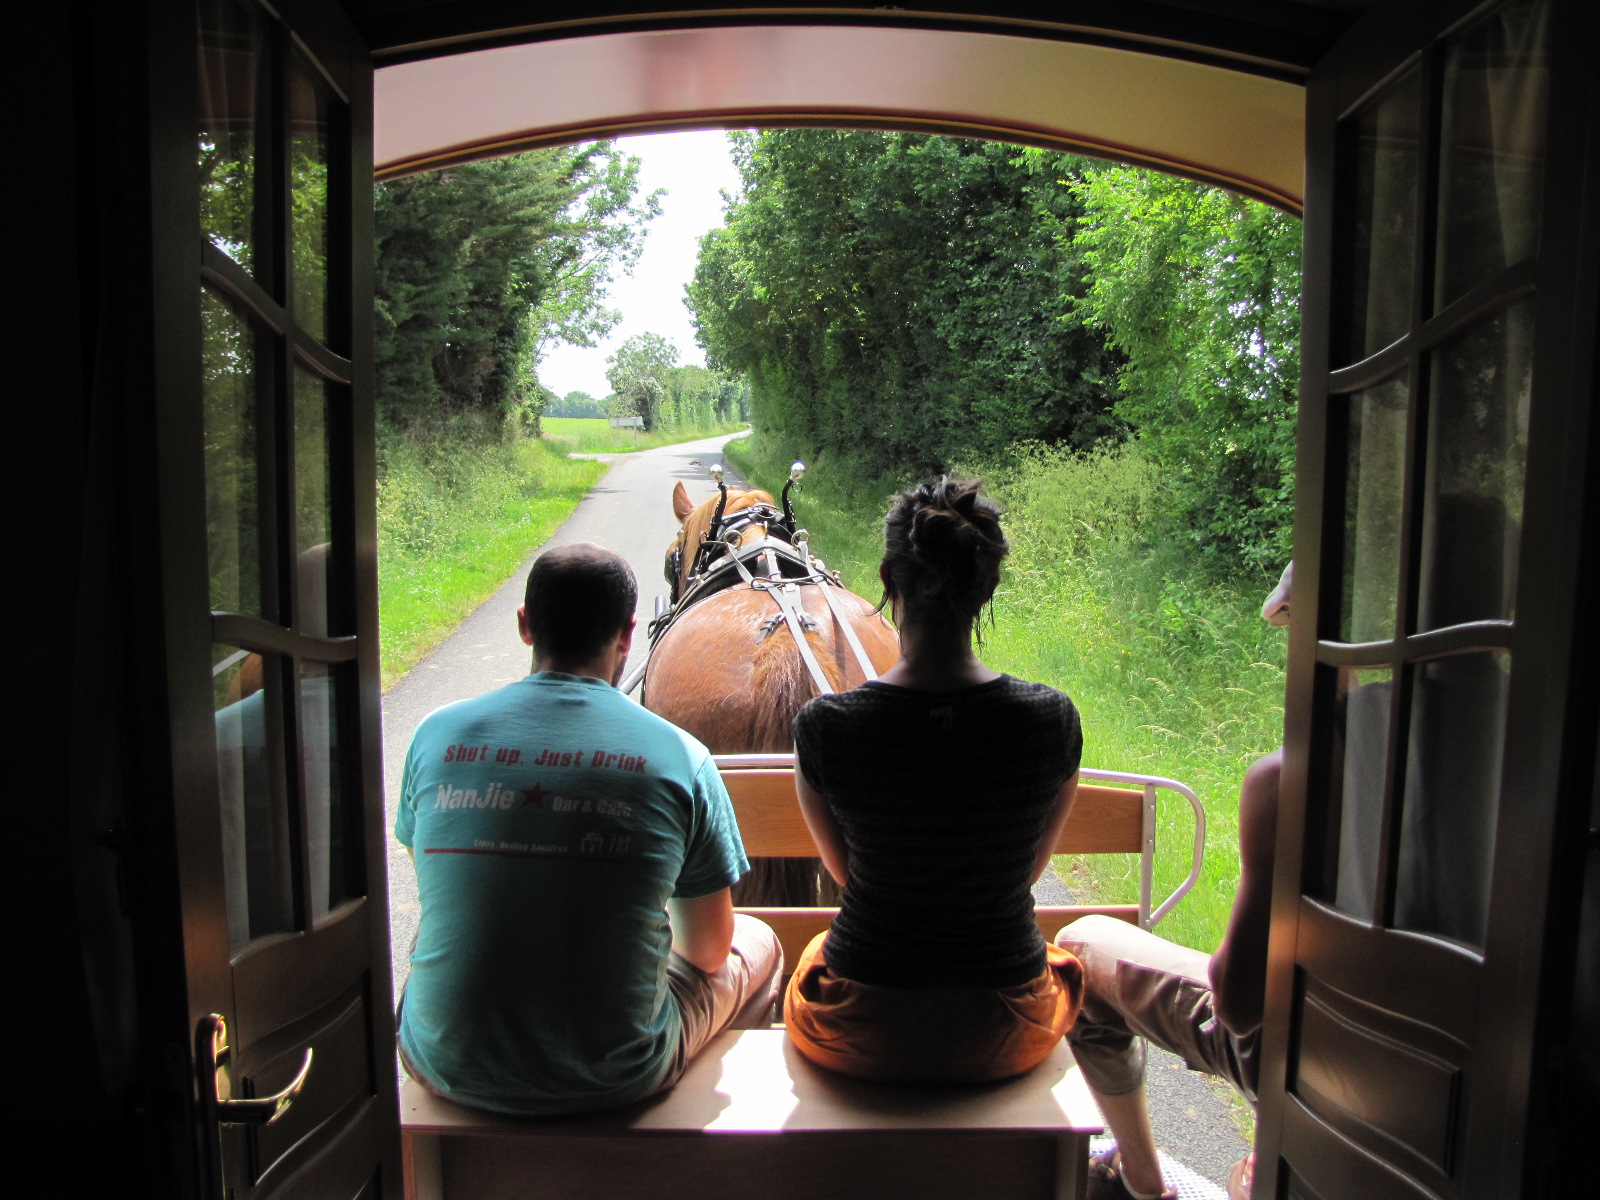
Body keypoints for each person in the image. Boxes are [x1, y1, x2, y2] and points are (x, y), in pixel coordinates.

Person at [395, 543, 782, 1115]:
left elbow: (435, 878)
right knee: (760, 943)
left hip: (439, 1061)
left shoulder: (433, 734)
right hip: (617, 1076)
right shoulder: (680, 755)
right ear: (627, 634)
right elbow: (706, 951)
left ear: (525, 625)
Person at [783, 477, 1086, 1082]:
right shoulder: (1051, 719)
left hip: (861, 1028)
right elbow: (1023, 874)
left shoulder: (826, 726)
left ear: (888, 580)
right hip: (1007, 1028)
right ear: (987, 587)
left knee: (811, 958)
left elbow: (850, 877)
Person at [1055, 561, 1293, 1200]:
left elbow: (1239, 1005)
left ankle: (1143, 1180)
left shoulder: (1288, 778)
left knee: (1078, 948)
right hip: (1459, 1090)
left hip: (1305, 1056)